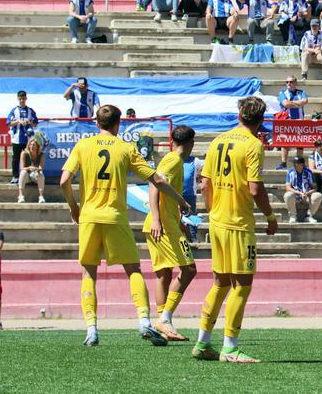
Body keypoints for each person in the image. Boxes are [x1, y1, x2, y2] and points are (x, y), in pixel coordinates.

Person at [60, 105, 189, 347]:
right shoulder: (125, 149)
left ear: (96, 123)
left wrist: (74, 207)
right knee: (133, 270)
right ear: (118, 124)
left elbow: (64, 179)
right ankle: (143, 321)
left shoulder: (83, 145)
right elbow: (157, 180)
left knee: (89, 273)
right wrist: (180, 199)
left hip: (88, 217)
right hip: (115, 217)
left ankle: (92, 329)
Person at [193, 97, 278, 363]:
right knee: (242, 284)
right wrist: (270, 215)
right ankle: (230, 347)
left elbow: (204, 183)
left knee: (220, 282)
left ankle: (203, 342)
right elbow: (255, 188)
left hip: (217, 220)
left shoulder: (218, 140)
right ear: (261, 119)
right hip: (239, 224)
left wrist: (212, 211)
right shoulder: (254, 145)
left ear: (240, 114)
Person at [142, 125, 199, 341]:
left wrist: (178, 209)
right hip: (162, 225)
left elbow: (164, 187)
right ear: (191, 143)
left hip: (165, 223)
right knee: (189, 270)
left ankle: (162, 325)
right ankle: (165, 319)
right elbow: (155, 185)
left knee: (164, 273)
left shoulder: (172, 161)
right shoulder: (174, 161)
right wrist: (158, 218)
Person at [6, 90, 38, 185]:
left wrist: (29, 122)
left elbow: (35, 123)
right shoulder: (14, 111)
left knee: (28, 157)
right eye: (20, 99)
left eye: (23, 98)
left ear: (26, 99)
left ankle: (28, 176)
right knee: (15, 158)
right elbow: (8, 123)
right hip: (16, 138)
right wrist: (18, 121)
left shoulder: (30, 111)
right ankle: (15, 176)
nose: (22, 100)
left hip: (27, 139)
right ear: (18, 99)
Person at [276, 75, 308, 169]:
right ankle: (283, 162)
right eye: (287, 82)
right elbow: (285, 104)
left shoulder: (301, 92)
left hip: (299, 121)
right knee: (285, 143)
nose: (289, 84)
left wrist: (291, 104)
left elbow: (305, 101)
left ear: (295, 83)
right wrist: (298, 104)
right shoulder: (283, 93)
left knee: (300, 144)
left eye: (291, 81)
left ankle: (299, 162)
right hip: (287, 121)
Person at [284, 156, 322, 223]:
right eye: (295, 163)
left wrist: (307, 193)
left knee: (318, 195)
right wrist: (299, 193)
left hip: (307, 195)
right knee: (288, 195)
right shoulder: (290, 172)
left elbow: (315, 187)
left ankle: (309, 216)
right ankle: (293, 216)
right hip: (295, 196)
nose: (294, 165)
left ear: (301, 165)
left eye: (296, 163)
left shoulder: (309, 172)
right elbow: (287, 187)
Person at [17, 137, 45, 204]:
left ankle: (41, 197)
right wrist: (29, 168)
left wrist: (36, 169)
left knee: (40, 174)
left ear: (37, 147)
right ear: (28, 145)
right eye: (31, 144)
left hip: (35, 175)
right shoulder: (24, 153)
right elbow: (22, 167)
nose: (32, 146)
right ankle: (20, 196)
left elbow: (41, 167)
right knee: (23, 172)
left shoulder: (41, 154)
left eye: (34, 145)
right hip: (27, 176)